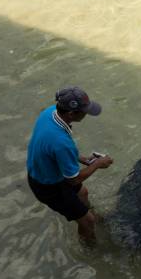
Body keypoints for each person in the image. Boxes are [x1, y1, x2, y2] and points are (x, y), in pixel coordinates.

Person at [26, 86, 113, 244]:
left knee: (83, 193)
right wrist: (98, 164)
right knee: (87, 222)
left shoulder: (50, 113)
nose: (87, 113)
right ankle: (90, 249)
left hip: (42, 170)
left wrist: (85, 160)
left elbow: (56, 150)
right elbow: (73, 180)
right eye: (84, 111)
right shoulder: (61, 142)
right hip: (48, 187)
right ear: (71, 113)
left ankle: (89, 215)